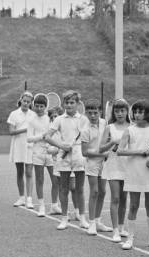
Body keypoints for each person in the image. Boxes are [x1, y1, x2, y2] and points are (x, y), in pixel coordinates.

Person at [117, 100, 149, 250]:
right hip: (133, 171)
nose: (137, 114)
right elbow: (120, 151)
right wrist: (139, 152)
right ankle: (129, 239)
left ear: (147, 113)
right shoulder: (129, 130)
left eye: (140, 112)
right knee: (134, 205)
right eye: (135, 112)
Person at [44, 90, 89, 230]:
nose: (69, 105)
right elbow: (47, 136)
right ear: (63, 104)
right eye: (67, 102)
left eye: (72, 103)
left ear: (77, 104)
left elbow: (88, 137)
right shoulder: (59, 119)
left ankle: (82, 218)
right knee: (63, 189)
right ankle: (64, 219)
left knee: (79, 189)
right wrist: (61, 145)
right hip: (63, 158)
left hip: (79, 157)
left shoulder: (83, 119)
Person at [100, 99, 130, 242]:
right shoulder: (109, 128)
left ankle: (122, 226)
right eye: (117, 111)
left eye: (122, 111)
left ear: (127, 112)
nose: (119, 113)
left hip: (127, 166)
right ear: (113, 112)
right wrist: (112, 142)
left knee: (124, 199)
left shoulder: (131, 127)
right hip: (113, 165)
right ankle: (115, 230)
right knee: (116, 198)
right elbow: (101, 148)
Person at [80, 99, 111, 236]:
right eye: (90, 113)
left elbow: (109, 139)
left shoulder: (105, 123)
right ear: (86, 113)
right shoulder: (85, 130)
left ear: (100, 112)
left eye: (95, 113)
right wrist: (102, 153)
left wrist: (107, 152)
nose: (93, 116)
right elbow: (84, 152)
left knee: (103, 192)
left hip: (104, 162)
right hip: (92, 163)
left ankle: (98, 221)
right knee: (94, 192)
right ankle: (91, 223)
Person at [27, 94, 59, 217]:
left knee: (55, 180)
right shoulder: (31, 120)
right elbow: (29, 138)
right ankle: (41, 206)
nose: (39, 108)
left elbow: (54, 135)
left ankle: (54, 205)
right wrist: (42, 136)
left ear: (46, 107)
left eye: (41, 106)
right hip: (38, 154)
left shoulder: (50, 119)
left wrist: (53, 146)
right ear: (34, 106)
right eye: (37, 106)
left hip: (50, 153)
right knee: (40, 180)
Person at [8, 91, 36, 208]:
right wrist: (25, 130)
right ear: (21, 100)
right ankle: (21, 198)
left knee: (29, 172)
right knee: (19, 172)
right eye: (24, 101)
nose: (25, 103)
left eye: (28, 102)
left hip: (30, 146)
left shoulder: (34, 115)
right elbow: (11, 132)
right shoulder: (14, 114)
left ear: (30, 103)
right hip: (18, 145)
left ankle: (29, 199)